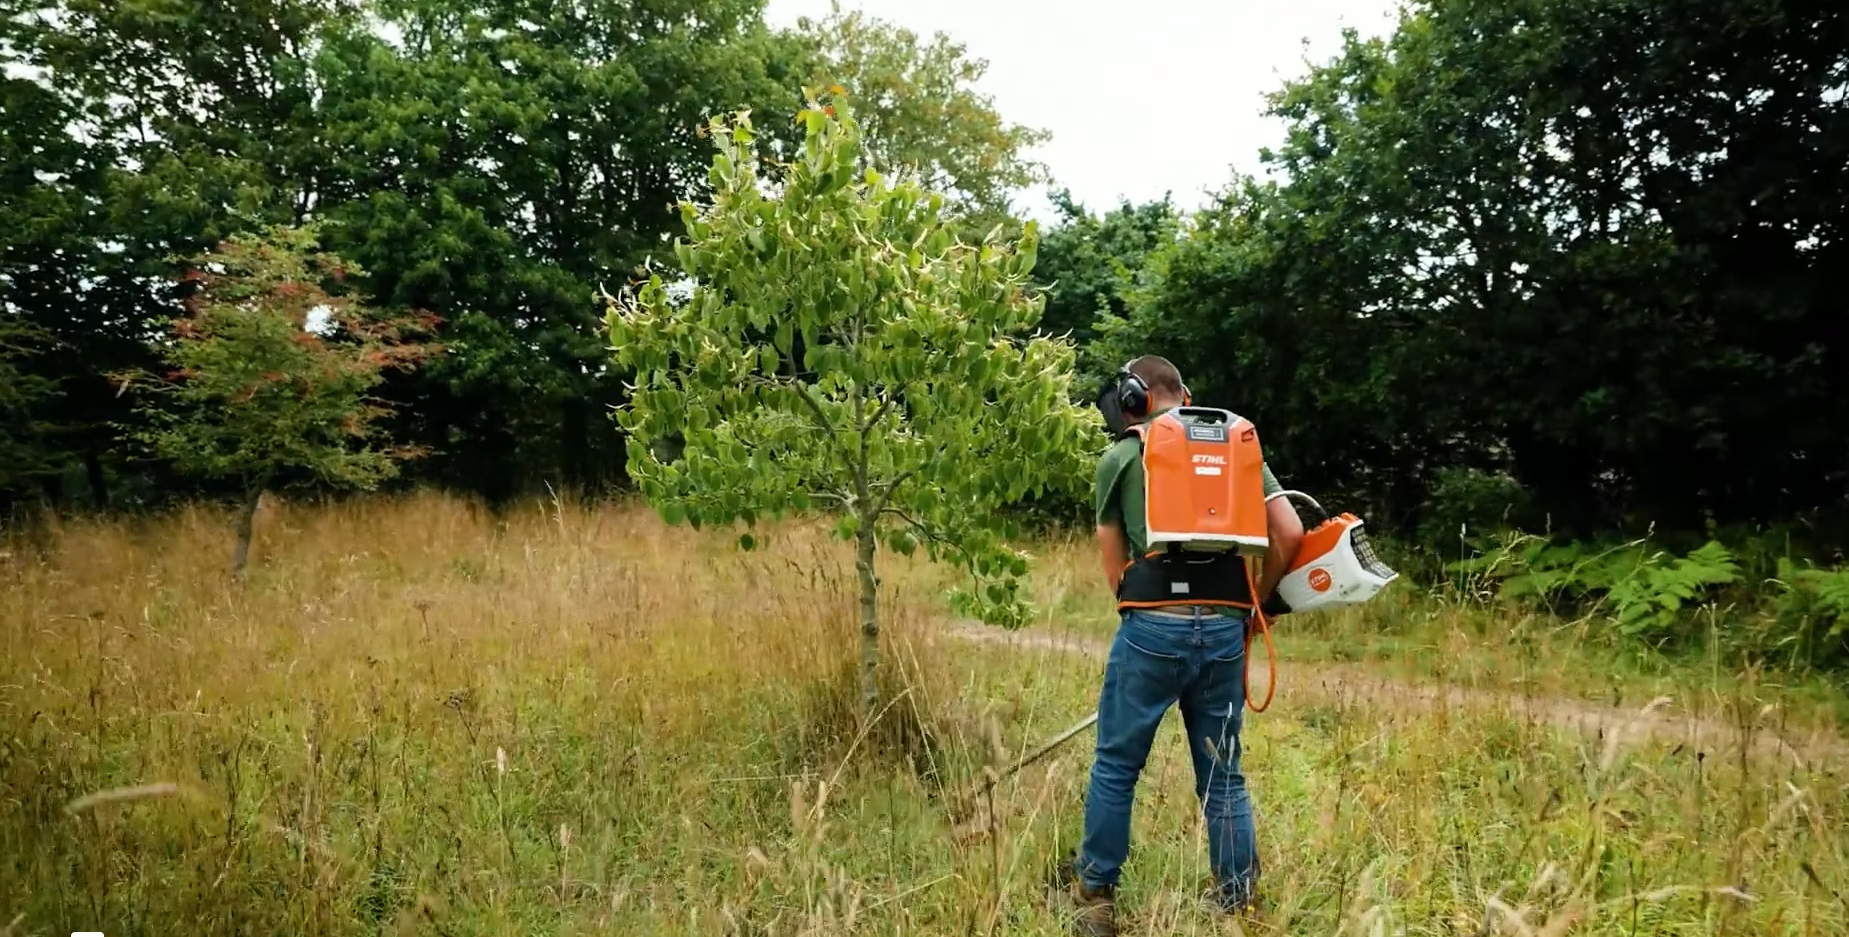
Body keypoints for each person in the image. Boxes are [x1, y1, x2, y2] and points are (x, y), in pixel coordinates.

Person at [1066, 354, 1303, 936]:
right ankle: (1239, 902)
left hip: (1151, 627)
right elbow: (1290, 532)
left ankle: (1096, 897)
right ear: (1186, 394)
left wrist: (1137, 600)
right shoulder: (1239, 450)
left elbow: (1112, 550)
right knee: (1224, 776)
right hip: (1225, 627)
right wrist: (1255, 604)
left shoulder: (1122, 454)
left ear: (1133, 398)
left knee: (1117, 765)